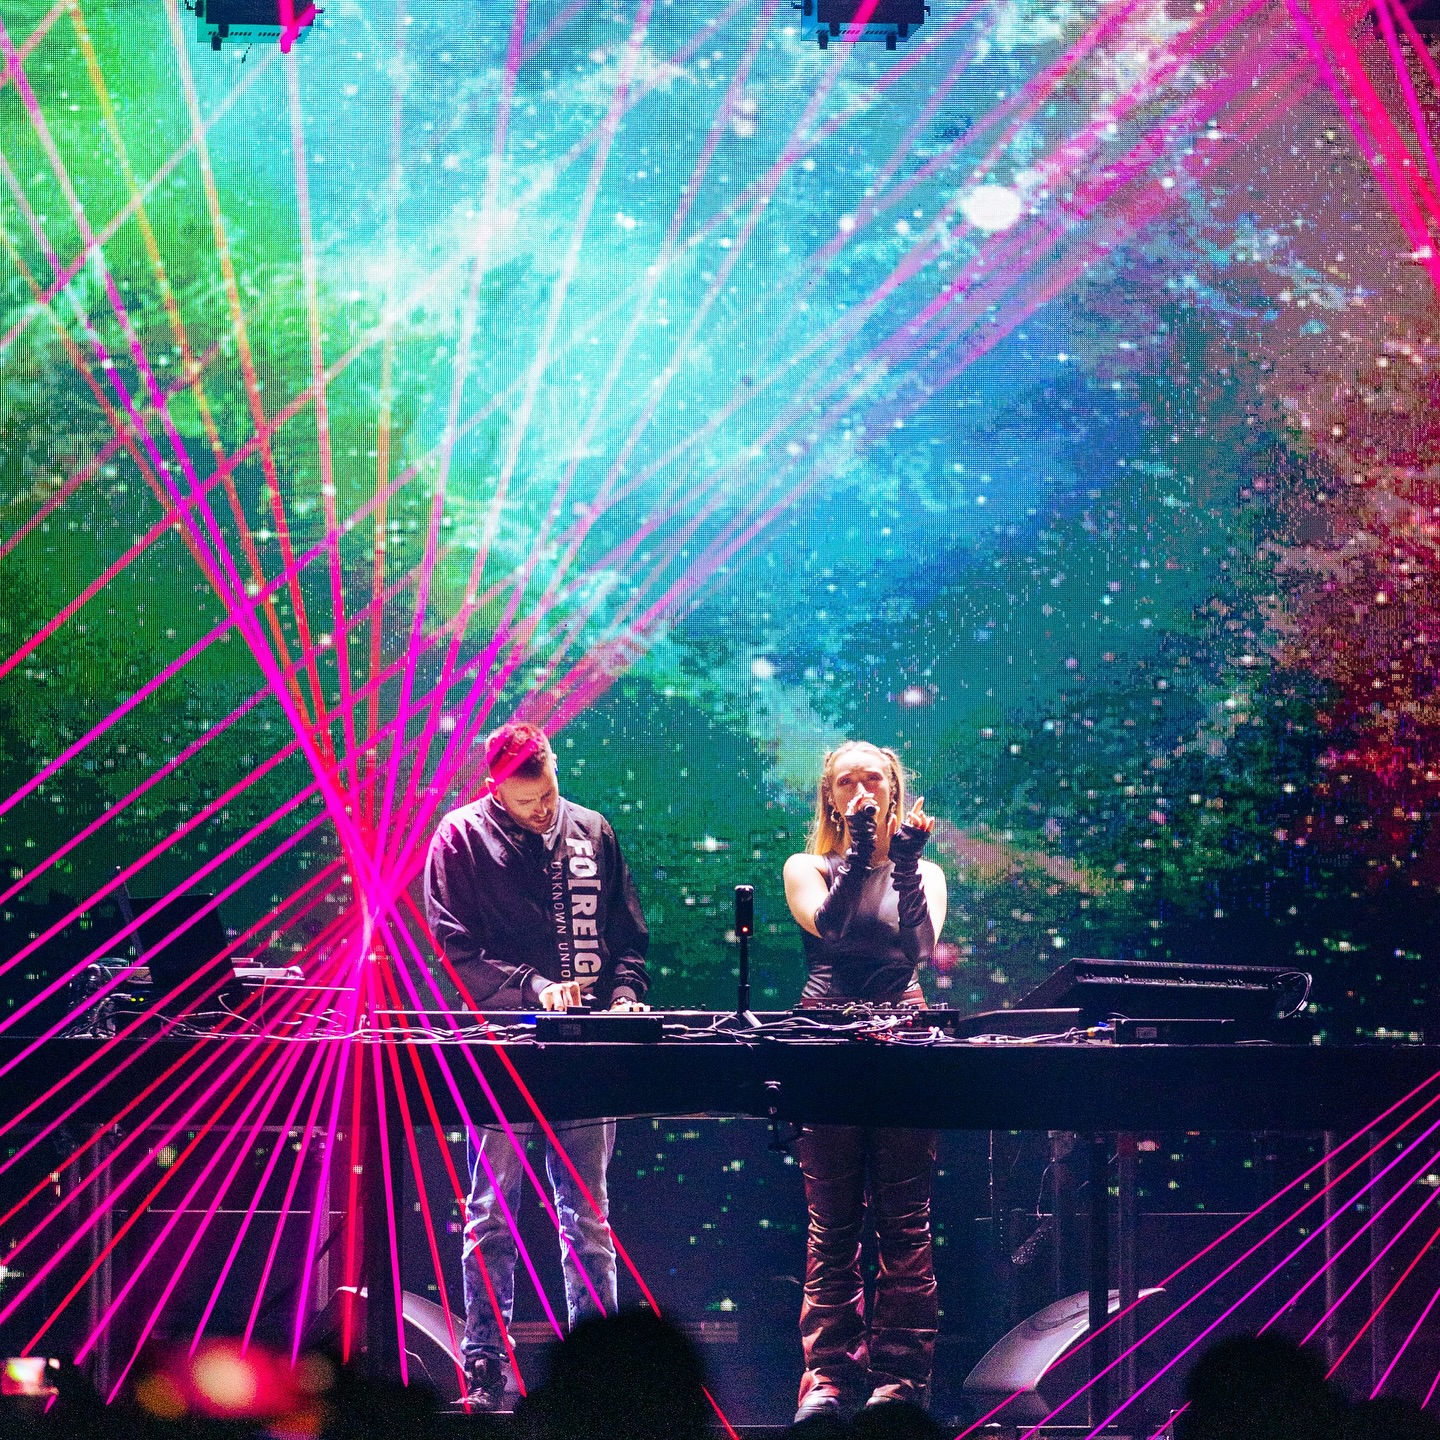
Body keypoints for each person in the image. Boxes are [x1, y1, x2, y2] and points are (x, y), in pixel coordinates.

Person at [424, 721, 651, 1411]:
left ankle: (597, 1375)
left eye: (548, 794)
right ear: (495, 788)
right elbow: (454, 949)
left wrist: (625, 994)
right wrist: (533, 989)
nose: (542, 810)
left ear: (554, 766)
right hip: (502, 1050)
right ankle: (486, 1368)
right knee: (491, 1215)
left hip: (584, 1052)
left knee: (588, 1219)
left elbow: (627, 935)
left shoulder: (593, 830)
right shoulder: (459, 837)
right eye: (526, 803)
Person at [782, 741, 948, 1422]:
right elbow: (831, 926)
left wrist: (903, 865)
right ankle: (828, 1379)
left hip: (904, 1036)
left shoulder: (925, 871)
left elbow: (921, 949)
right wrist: (856, 851)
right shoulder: (806, 867)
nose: (861, 791)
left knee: (906, 1222)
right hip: (825, 1039)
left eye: (872, 780)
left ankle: (900, 1382)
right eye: (847, 782)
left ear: (893, 789)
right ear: (830, 796)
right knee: (832, 1226)